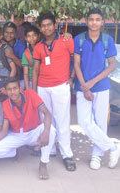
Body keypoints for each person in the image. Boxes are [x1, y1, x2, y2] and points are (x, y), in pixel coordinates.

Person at [74, 8, 120, 170]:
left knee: (100, 123)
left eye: (97, 19)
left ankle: (97, 155)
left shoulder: (107, 40)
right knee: (84, 121)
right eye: (91, 19)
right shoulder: (79, 39)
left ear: (102, 22)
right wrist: (85, 86)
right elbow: (77, 64)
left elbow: (112, 65)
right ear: (86, 21)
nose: (94, 22)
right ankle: (112, 147)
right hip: (82, 86)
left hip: (101, 87)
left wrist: (91, 83)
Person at [0, 77, 56, 180]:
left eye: (15, 88)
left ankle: (43, 164)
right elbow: (4, 131)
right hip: (16, 135)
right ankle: (16, 150)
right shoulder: (4, 105)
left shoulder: (30, 94)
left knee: (52, 130)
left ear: (20, 88)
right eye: (9, 89)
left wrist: (46, 131)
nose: (12, 92)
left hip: (33, 133)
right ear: (5, 91)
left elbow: (47, 113)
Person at [32, 12, 76, 171]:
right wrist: (34, 91)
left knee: (62, 120)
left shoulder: (66, 40)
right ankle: (49, 149)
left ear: (55, 25)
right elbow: (35, 70)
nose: (46, 28)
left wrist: (72, 78)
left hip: (61, 86)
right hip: (43, 87)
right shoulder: (38, 46)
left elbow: (75, 60)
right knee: (46, 121)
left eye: (49, 25)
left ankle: (67, 154)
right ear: (40, 28)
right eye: (43, 26)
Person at [3, 22, 26, 87]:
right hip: (3, 78)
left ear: (15, 34)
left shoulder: (21, 45)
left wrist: (12, 56)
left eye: (12, 33)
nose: (9, 35)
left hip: (19, 78)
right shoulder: (0, 43)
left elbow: (22, 65)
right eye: (6, 32)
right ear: (3, 33)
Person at [22, 24, 40, 89]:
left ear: (38, 36)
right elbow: (26, 74)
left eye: (34, 35)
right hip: (31, 81)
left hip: (42, 81)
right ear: (26, 38)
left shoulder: (43, 49)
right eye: (29, 36)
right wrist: (27, 88)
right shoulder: (26, 53)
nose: (32, 38)